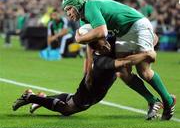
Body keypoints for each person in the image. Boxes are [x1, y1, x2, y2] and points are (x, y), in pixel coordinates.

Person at [61, 0, 176, 120]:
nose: (68, 13)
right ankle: (152, 100)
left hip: (136, 26)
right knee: (122, 72)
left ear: (77, 5)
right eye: (66, 11)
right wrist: (88, 73)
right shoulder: (84, 19)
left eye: (69, 9)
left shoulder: (90, 6)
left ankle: (168, 101)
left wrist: (78, 38)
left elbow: (102, 32)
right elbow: (90, 45)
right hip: (123, 33)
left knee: (144, 72)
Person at [12, 37, 156, 117]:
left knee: (71, 100)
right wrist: (147, 54)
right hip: (91, 90)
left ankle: (42, 98)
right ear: (97, 49)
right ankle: (30, 97)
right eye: (101, 46)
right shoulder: (102, 61)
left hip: (94, 89)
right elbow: (126, 61)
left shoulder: (112, 42)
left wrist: (149, 43)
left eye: (105, 43)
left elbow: (150, 37)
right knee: (68, 110)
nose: (105, 46)